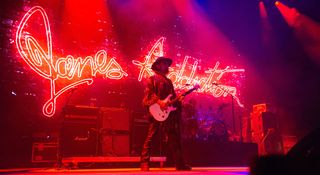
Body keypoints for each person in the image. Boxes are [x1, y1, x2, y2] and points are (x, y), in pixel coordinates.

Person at [140, 56, 191, 171]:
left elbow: (172, 98)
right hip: (157, 111)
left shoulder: (169, 81)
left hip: (168, 113)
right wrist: (159, 101)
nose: (167, 66)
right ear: (158, 65)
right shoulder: (152, 79)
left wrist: (179, 100)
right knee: (151, 136)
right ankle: (144, 163)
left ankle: (180, 164)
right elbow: (149, 94)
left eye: (167, 64)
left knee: (174, 137)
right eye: (164, 63)